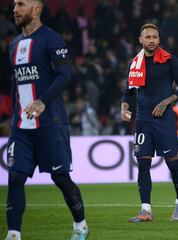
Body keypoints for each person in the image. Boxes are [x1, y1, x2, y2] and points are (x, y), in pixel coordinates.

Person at [5, 1, 89, 239]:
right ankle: (13, 234)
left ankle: (80, 225)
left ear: (37, 9)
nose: (15, 9)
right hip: (21, 126)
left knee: (60, 177)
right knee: (15, 176)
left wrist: (42, 102)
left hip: (50, 123)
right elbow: (17, 86)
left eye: (21, 4)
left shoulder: (51, 39)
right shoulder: (13, 45)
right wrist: (14, 116)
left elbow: (65, 75)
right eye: (14, 4)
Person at [121, 23, 178, 222]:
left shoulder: (169, 60)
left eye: (154, 37)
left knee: (173, 164)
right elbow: (129, 92)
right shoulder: (135, 63)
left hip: (164, 120)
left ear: (159, 40)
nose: (151, 40)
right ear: (140, 40)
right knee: (143, 164)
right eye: (147, 37)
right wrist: (124, 107)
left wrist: (166, 102)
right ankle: (145, 210)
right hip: (143, 121)